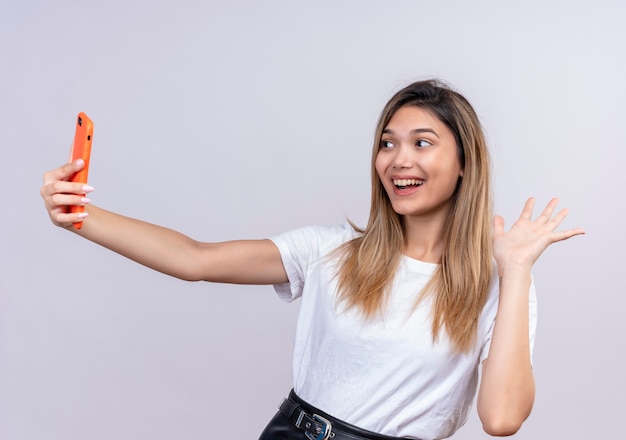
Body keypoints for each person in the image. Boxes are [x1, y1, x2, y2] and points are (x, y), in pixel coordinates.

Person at [40, 79, 584, 440]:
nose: (399, 160)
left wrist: (515, 271)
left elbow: (503, 418)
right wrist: (81, 216)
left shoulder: (499, 285)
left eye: (422, 143)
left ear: (465, 162)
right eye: (388, 143)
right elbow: (195, 258)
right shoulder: (332, 252)